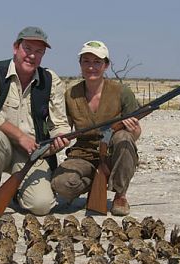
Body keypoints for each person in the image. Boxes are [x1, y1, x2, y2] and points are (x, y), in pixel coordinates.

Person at [0, 26, 70, 216]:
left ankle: (15, 191)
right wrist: (20, 136)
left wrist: (59, 140)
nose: (32, 55)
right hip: (1, 146)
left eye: (39, 51)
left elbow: (60, 125)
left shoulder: (51, 80)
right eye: (28, 48)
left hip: (33, 153)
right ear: (16, 47)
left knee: (42, 207)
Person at [51, 40, 141, 216]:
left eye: (97, 62)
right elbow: (63, 126)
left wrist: (132, 129)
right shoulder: (70, 94)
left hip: (113, 151)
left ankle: (120, 195)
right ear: (80, 64)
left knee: (124, 138)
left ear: (106, 65)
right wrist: (59, 137)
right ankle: (95, 183)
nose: (91, 67)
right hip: (83, 153)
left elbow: (136, 134)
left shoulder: (122, 92)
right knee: (61, 184)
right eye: (86, 61)